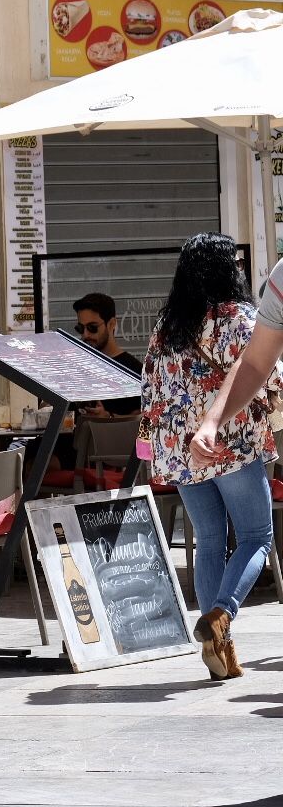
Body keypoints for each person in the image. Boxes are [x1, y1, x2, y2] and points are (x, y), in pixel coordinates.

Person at [166, 235, 283, 679]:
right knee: (256, 536)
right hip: (231, 444)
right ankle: (222, 613)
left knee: (210, 541)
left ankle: (219, 650)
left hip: (181, 451)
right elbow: (267, 371)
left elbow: (151, 389)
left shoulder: (167, 324)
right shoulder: (239, 318)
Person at [73, 292, 143, 418]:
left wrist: (108, 417)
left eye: (92, 327)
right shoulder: (78, 369)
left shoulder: (135, 371)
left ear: (111, 324)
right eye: (80, 328)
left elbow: (145, 420)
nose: (85, 335)